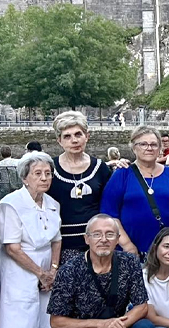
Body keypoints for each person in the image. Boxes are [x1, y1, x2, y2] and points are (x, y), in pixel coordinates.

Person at [0, 152, 63, 328]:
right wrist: (39, 273)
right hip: (21, 268)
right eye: (38, 174)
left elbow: (57, 239)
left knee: (42, 319)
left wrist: (53, 270)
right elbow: (12, 247)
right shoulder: (11, 204)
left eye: (47, 173)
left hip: (46, 265)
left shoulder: (52, 203)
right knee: (23, 321)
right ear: (25, 177)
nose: (44, 178)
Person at [49, 111, 134, 265]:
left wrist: (121, 171)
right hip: (61, 245)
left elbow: (112, 203)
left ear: (87, 136)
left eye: (78, 134)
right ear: (59, 141)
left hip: (98, 244)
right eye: (67, 136)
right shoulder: (50, 169)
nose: (74, 140)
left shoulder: (100, 168)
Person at [101, 126, 169, 257]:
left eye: (154, 144)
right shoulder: (122, 174)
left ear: (160, 148)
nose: (149, 148)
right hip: (134, 251)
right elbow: (109, 214)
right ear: (134, 147)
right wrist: (127, 245)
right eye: (143, 144)